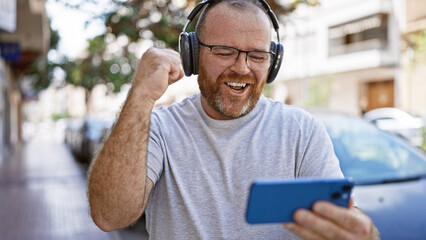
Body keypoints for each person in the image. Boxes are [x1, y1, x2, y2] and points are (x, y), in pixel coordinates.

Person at [88, 0, 380, 239]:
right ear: (193, 55)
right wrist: (140, 97)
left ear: (273, 61)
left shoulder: (301, 130)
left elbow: (344, 217)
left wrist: (363, 233)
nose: (241, 68)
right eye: (224, 52)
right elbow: (109, 215)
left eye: (257, 55)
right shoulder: (159, 128)